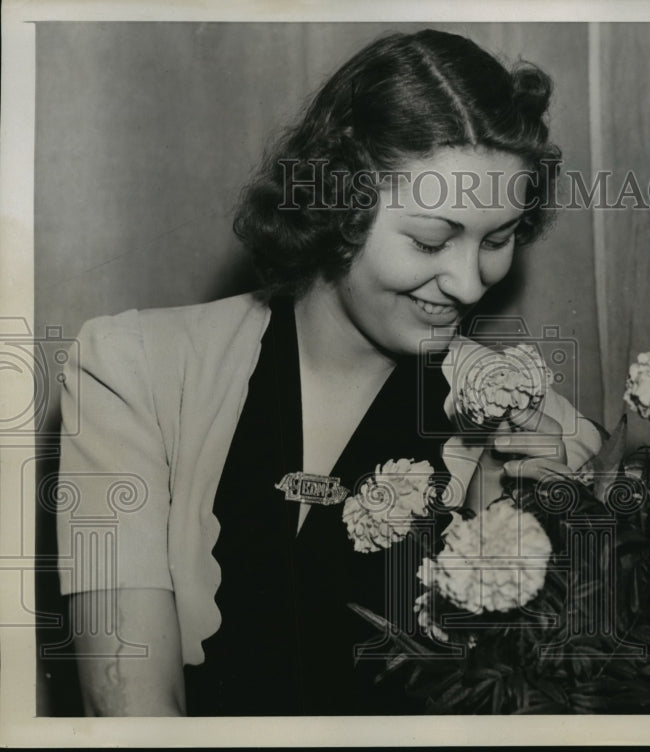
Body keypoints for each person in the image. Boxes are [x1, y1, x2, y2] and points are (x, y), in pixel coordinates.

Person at [55, 29, 602, 716]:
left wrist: (543, 522)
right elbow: (129, 710)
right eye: (432, 239)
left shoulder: (532, 423)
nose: (468, 284)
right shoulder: (131, 371)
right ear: (340, 205)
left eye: (497, 240)